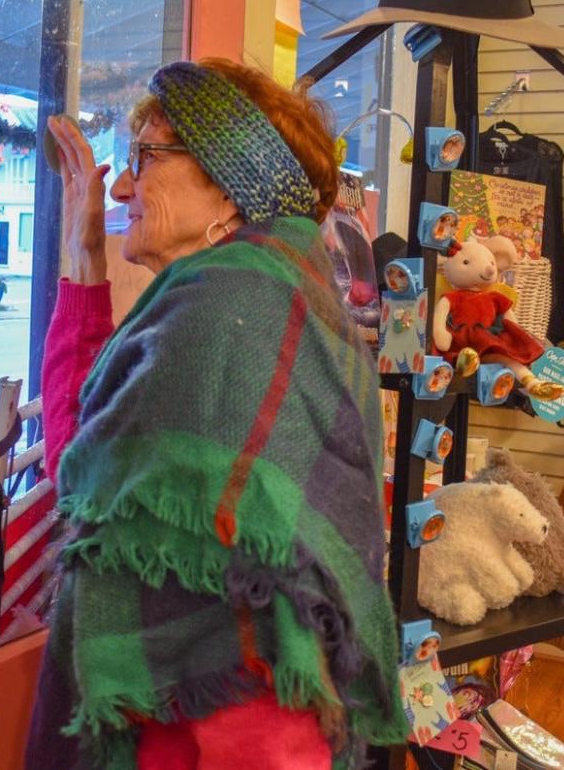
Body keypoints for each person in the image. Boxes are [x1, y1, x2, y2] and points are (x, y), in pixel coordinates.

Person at [25, 59, 402, 770]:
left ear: (230, 184)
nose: (124, 185)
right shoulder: (268, 295)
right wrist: (82, 256)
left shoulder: (230, 314)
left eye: (144, 157)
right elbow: (85, 462)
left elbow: (256, 689)